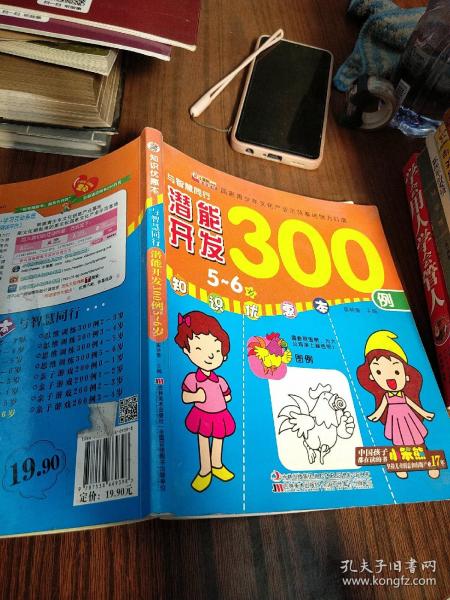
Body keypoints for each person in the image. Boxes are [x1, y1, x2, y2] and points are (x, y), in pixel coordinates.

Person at [356, 330, 439, 479]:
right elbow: (381, 408)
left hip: (409, 419)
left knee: (418, 440)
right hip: (395, 421)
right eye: (379, 372)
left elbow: (413, 405)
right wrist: (375, 415)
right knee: (399, 442)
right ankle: (400, 465)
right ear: (372, 376)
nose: (390, 378)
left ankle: (430, 464)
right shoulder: (386, 396)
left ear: (406, 375)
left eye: (396, 371)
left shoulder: (404, 395)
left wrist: (424, 413)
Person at [175, 310, 236, 492]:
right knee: (203, 441)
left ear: (223, 354)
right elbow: (185, 397)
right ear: (187, 350)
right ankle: (204, 470)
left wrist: (225, 398)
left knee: (218, 439)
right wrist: (197, 396)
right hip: (202, 414)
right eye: (200, 349)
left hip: (220, 414)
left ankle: (217, 465)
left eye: (216, 351)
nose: (210, 356)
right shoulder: (192, 379)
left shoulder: (220, 380)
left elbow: (227, 395)